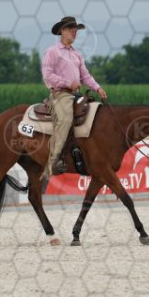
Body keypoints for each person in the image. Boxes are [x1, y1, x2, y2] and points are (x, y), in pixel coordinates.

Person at [41, 16, 107, 182]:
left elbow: (85, 76)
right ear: (62, 31)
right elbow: (47, 75)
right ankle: (54, 161)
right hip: (60, 94)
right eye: (71, 29)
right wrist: (67, 83)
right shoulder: (52, 52)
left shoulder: (77, 55)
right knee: (65, 120)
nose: (74, 32)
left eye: (76, 30)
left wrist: (97, 88)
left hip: (76, 95)